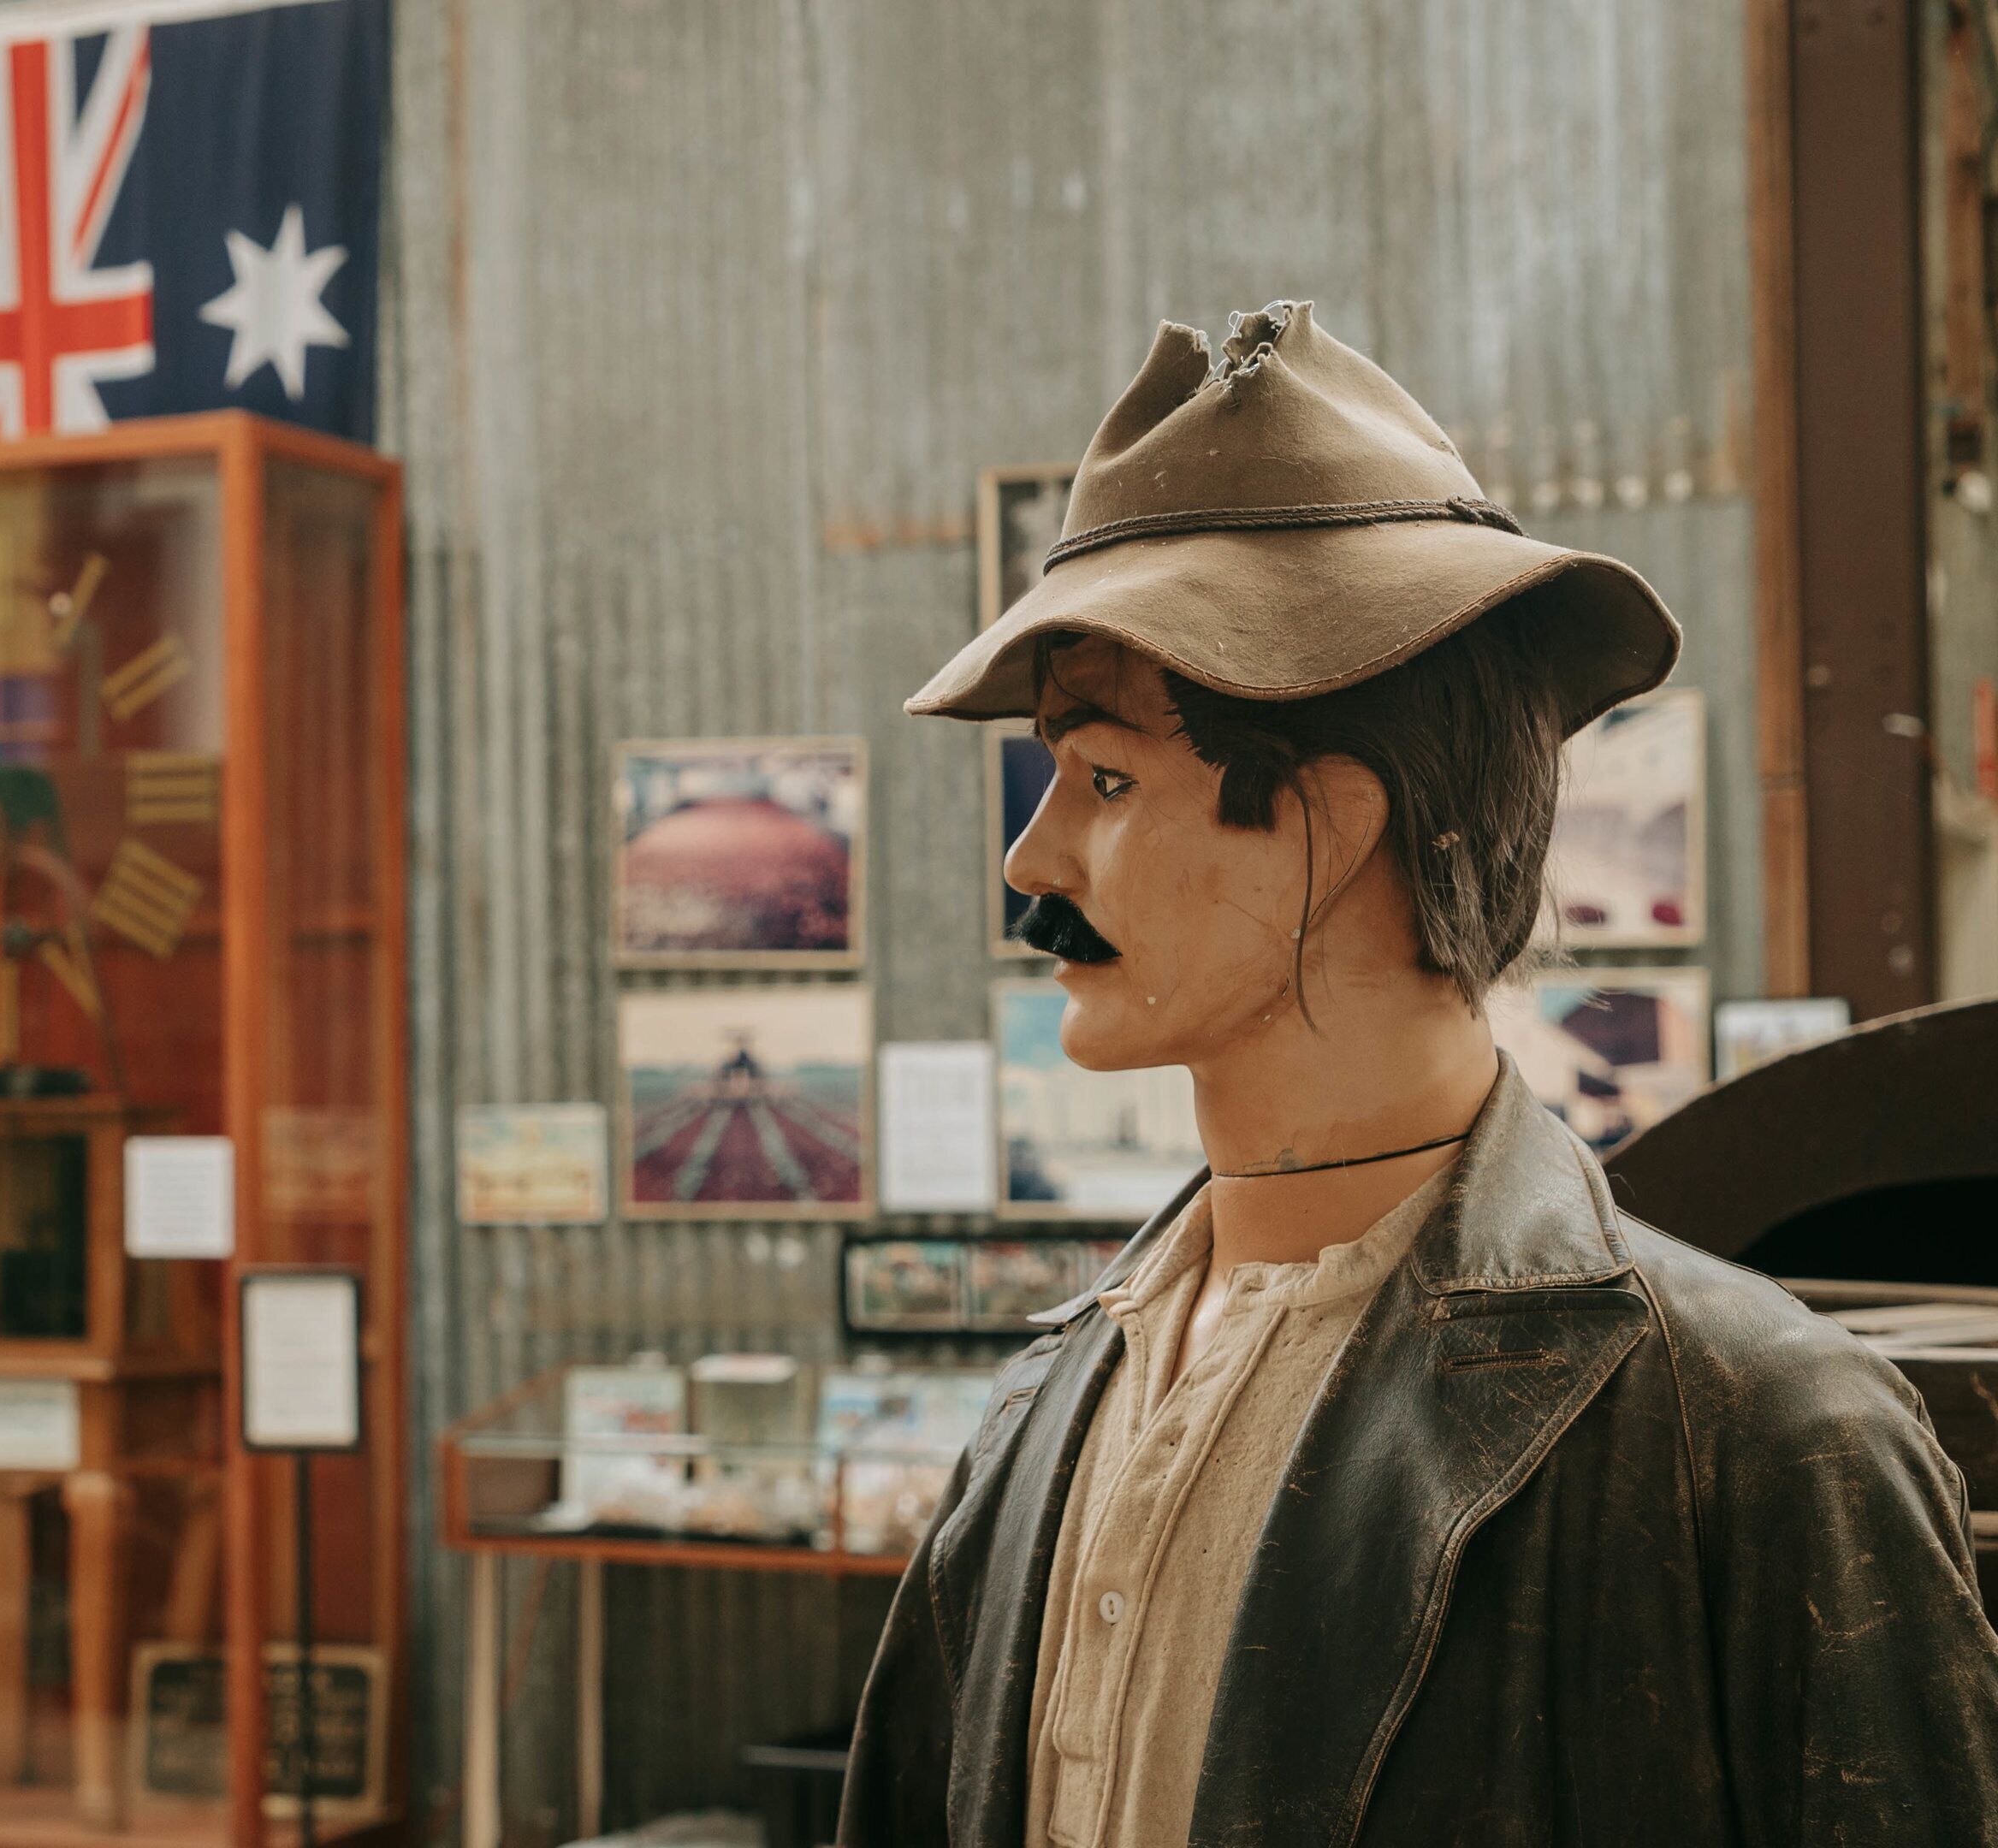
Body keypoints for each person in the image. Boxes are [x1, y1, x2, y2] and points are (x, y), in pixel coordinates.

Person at [839, 302, 1998, 1845]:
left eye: (1105, 776)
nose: (1032, 857)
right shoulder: (1042, 1418)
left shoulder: (1762, 1442)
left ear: (1335, 822)